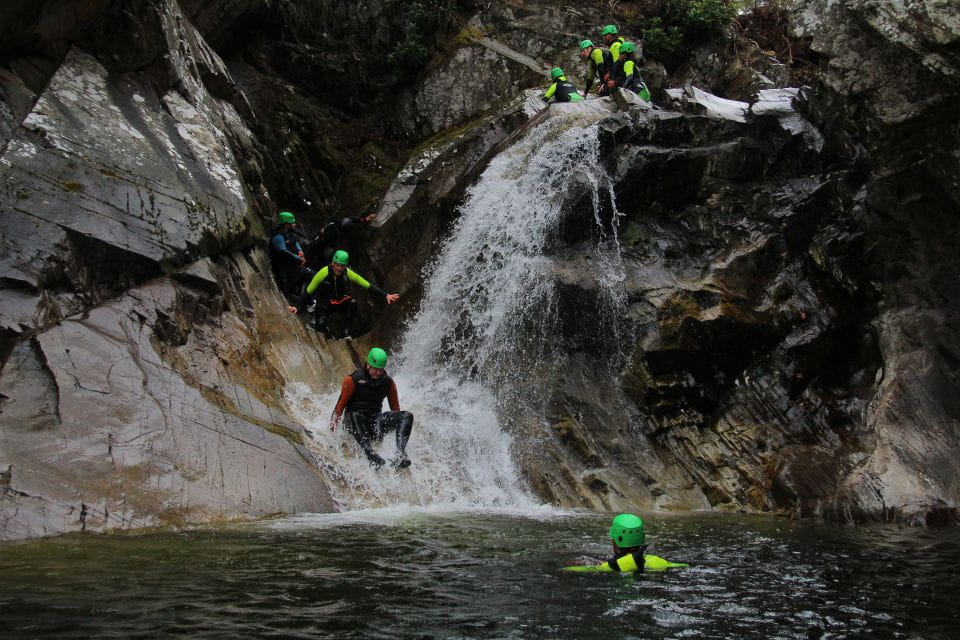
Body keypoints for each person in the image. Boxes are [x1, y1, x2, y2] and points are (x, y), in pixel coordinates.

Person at [330, 347, 414, 469]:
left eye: (381, 370)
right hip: (354, 422)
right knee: (355, 414)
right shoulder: (352, 379)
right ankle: (369, 452)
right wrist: (333, 425)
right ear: (368, 365)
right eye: (375, 369)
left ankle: (400, 453)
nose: (378, 373)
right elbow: (339, 406)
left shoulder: (388, 383)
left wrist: (394, 423)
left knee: (406, 415)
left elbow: (395, 410)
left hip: (374, 422)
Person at [287, 250, 399, 339]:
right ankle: (319, 324)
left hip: (338, 302)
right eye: (337, 265)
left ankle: (345, 331)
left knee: (352, 303)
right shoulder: (323, 272)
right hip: (324, 304)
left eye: (342, 266)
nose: (339, 268)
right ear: (333, 263)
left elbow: (367, 285)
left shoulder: (348, 273)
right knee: (321, 328)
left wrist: (386, 295)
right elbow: (309, 291)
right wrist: (297, 306)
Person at [563, 513, 689, 573]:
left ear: (615, 541)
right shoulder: (658, 561)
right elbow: (684, 566)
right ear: (642, 539)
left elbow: (568, 569)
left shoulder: (607, 567)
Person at [269, 211, 314, 298]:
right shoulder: (278, 237)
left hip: (293, 267)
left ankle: (301, 294)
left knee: (311, 275)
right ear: (286, 224)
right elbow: (283, 252)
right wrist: (298, 258)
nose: (294, 224)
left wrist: (300, 251)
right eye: (292, 223)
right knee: (312, 276)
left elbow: (295, 242)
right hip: (285, 271)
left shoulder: (289, 234)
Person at [308, 212, 377, 267]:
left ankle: (313, 262)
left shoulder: (338, 224)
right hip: (324, 242)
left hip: (326, 241)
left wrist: (365, 219)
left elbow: (353, 220)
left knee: (320, 253)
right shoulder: (338, 229)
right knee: (318, 253)